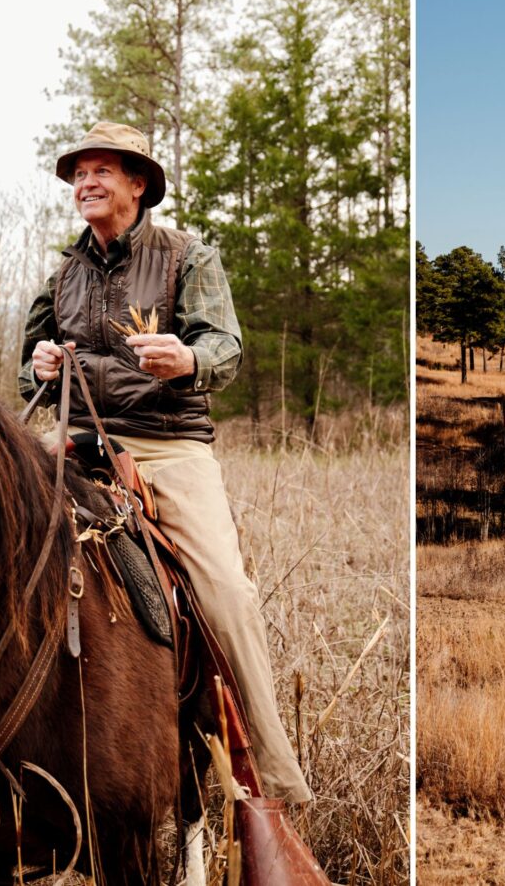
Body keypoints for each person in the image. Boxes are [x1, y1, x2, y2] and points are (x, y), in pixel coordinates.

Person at [18, 121, 311, 803]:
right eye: (78, 173)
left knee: (227, 595)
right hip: (74, 439)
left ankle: (270, 779)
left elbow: (227, 349)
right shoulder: (62, 274)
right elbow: (29, 367)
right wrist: (39, 364)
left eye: (101, 171)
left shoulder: (187, 256)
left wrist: (188, 358)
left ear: (137, 183)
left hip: (166, 442)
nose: (86, 183)